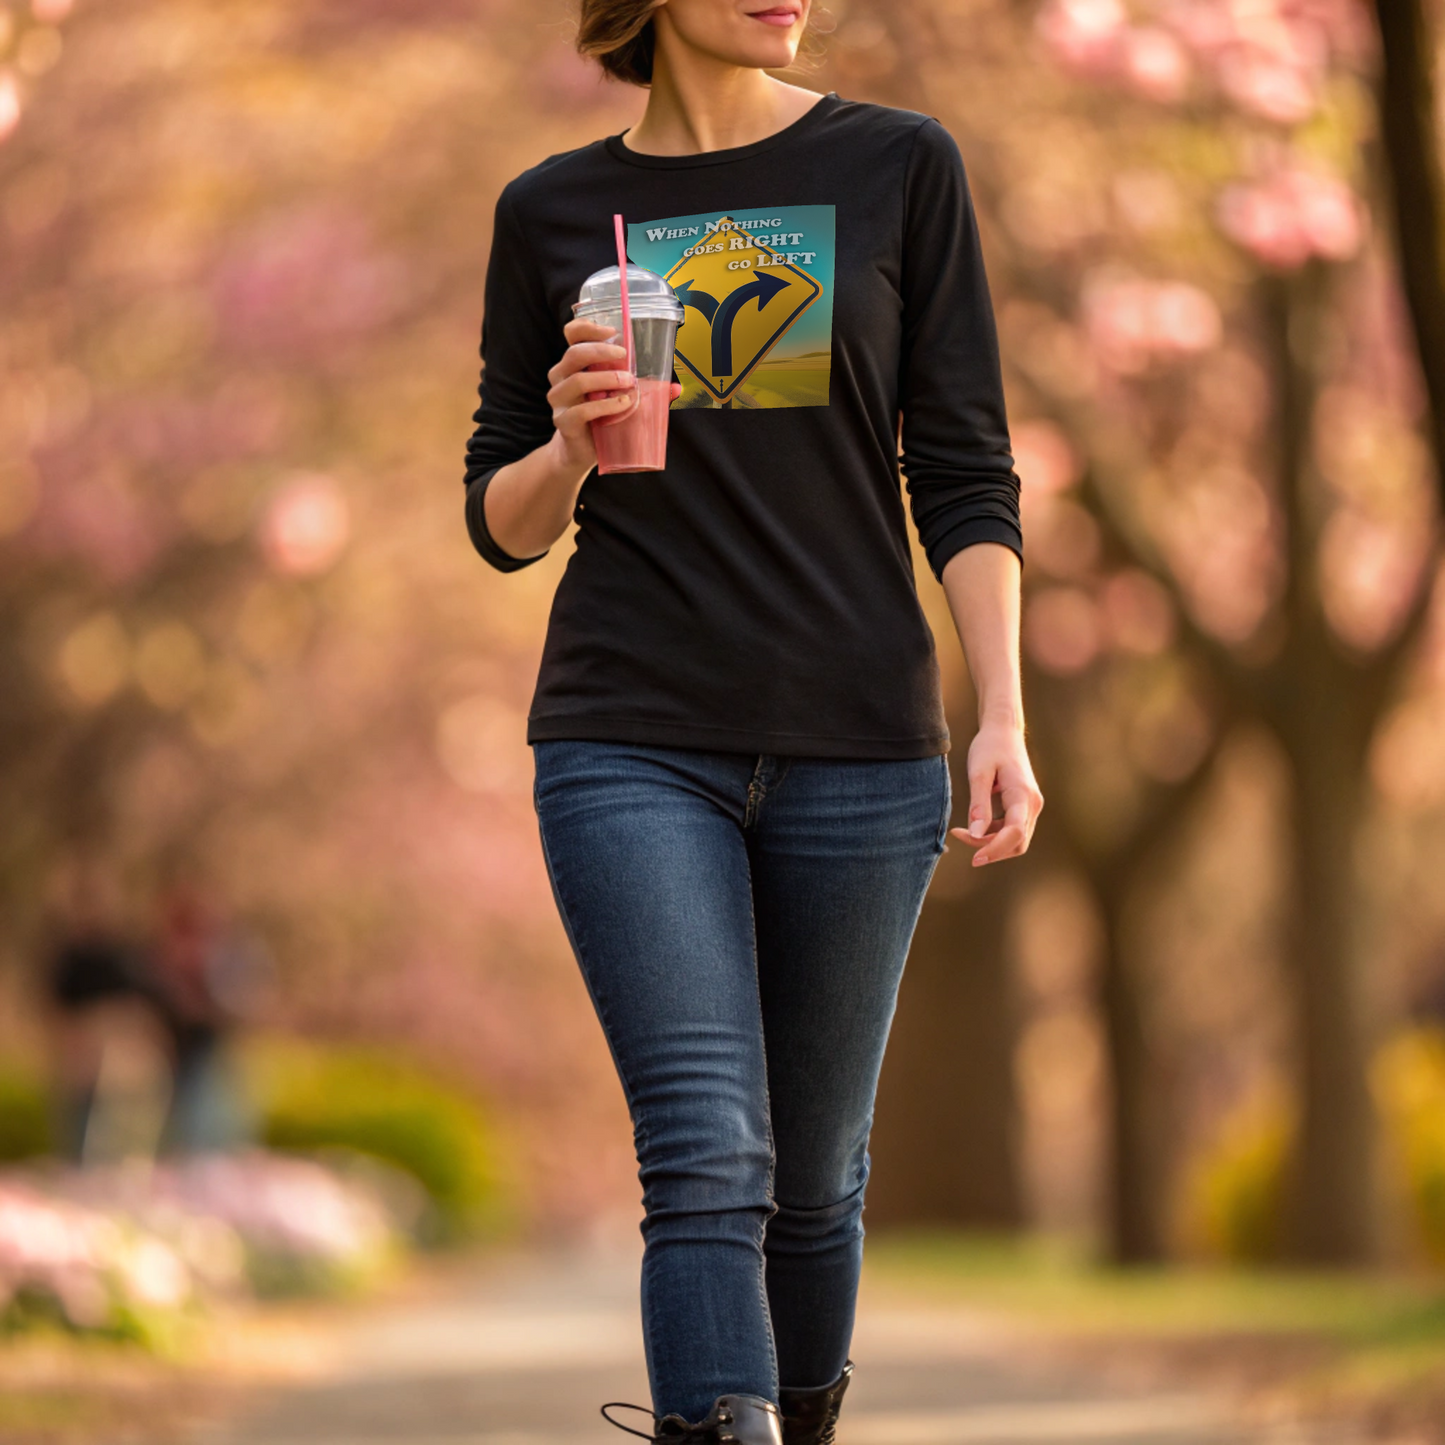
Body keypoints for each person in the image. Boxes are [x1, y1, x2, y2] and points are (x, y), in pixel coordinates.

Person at [461, 2, 1044, 1441]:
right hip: (629, 734)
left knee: (815, 1178)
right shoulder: (552, 210)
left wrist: (1003, 718)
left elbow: (965, 471)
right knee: (708, 1152)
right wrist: (566, 442)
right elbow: (495, 520)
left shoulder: (902, 166)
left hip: (863, 740)